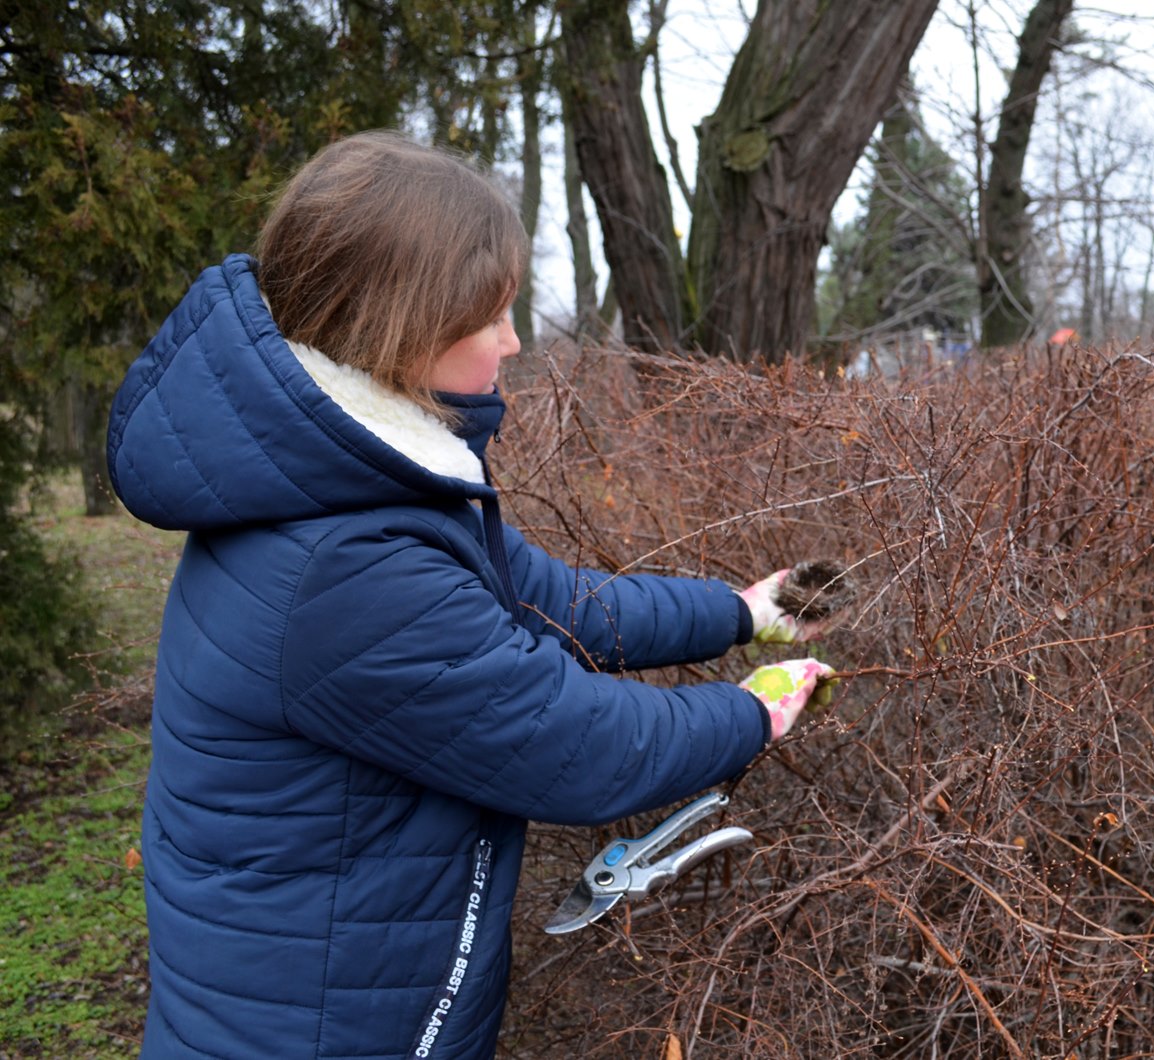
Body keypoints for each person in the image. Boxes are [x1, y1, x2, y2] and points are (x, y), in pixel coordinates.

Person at [105, 129, 837, 1060]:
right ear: (402, 325)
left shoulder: (354, 485)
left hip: (321, 995)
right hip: (318, 1029)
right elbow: (573, 746)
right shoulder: (345, 563)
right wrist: (748, 716)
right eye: (488, 314)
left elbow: (554, 603)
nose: (513, 340)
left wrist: (739, 612)